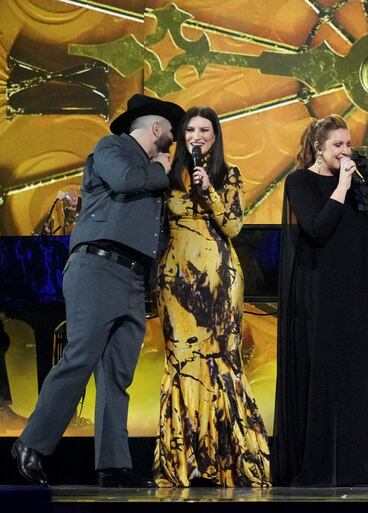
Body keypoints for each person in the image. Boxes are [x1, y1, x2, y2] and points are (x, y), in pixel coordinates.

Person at [11, 93, 184, 487]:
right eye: (170, 131)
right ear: (155, 128)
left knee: (117, 373)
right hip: (98, 267)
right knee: (80, 356)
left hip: (132, 277)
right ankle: (31, 444)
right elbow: (125, 182)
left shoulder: (149, 167)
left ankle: (113, 465)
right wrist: (159, 168)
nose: (173, 140)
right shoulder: (113, 148)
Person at [152, 107, 271, 487]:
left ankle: (230, 462)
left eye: (205, 130)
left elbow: (234, 226)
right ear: (182, 136)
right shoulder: (165, 176)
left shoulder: (227, 174)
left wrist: (210, 192)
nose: (197, 136)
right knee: (183, 362)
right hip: (177, 281)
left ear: (215, 137)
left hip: (219, 280)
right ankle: (182, 462)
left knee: (223, 363)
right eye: (190, 130)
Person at [272, 114, 368, 486]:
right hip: (320, 287)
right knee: (324, 373)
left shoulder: (355, 186)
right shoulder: (300, 181)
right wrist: (341, 186)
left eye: (348, 144)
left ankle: (358, 466)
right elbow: (317, 228)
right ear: (319, 147)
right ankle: (320, 467)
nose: (345, 151)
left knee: (356, 375)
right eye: (338, 144)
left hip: (356, 288)